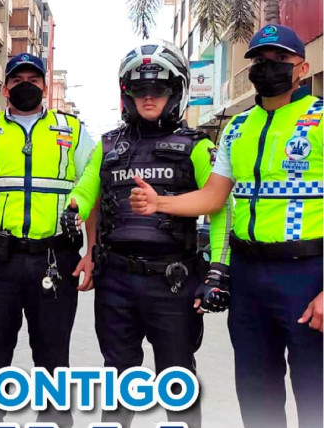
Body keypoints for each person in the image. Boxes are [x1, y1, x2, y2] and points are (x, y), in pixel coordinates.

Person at [130, 25, 322, 428]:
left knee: (315, 389)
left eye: (280, 60)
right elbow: (214, 197)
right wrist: (159, 203)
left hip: (307, 273)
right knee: (255, 389)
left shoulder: (320, 119)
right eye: (259, 60)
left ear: (302, 68)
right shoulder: (237, 127)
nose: (267, 67)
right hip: (249, 275)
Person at [70, 40, 232, 428]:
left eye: (158, 88)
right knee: (117, 376)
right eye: (139, 89)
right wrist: (73, 207)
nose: (148, 97)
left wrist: (218, 271)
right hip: (116, 281)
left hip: (173, 282)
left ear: (175, 91)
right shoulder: (108, 145)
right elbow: (87, 187)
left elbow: (221, 207)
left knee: (177, 379)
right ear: (126, 94)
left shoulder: (197, 146)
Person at [0, 53, 97, 428]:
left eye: (33, 79)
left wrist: (92, 250)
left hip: (55, 259)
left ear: (45, 87)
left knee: (53, 353)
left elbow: (93, 188)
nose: (25, 85)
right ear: (5, 89)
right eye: (17, 80)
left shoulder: (72, 130)